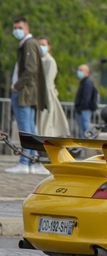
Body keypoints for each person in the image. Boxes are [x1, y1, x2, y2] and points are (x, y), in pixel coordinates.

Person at [5, 17, 48, 175]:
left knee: (25, 129)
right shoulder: (28, 44)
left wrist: (17, 86)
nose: (17, 30)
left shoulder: (29, 44)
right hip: (28, 92)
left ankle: (25, 161)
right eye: (15, 27)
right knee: (30, 129)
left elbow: (30, 69)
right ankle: (33, 161)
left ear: (27, 28)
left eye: (20, 27)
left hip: (24, 93)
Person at [36, 37, 70, 137]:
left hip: (46, 96)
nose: (41, 47)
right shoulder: (38, 60)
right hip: (39, 96)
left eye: (43, 44)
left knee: (46, 124)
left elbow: (47, 82)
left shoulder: (50, 61)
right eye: (39, 45)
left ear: (49, 47)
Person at [74, 64, 99, 139]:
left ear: (86, 72)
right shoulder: (84, 82)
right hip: (82, 110)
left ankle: (87, 148)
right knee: (83, 131)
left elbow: (86, 98)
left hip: (84, 110)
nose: (79, 72)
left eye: (81, 70)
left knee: (85, 131)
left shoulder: (87, 83)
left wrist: (80, 108)